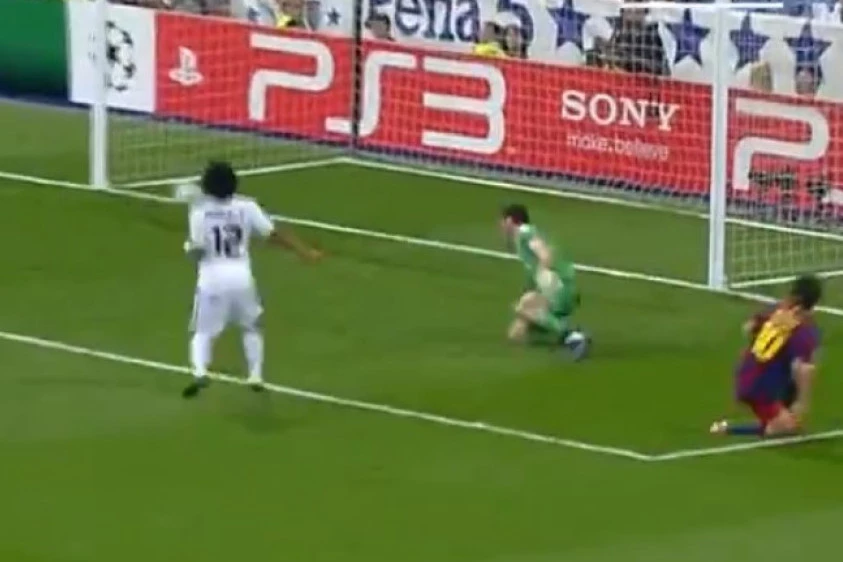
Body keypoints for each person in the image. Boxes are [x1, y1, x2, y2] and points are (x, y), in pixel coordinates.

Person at [181, 161, 321, 398]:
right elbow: (273, 234)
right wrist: (304, 252)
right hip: (241, 277)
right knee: (252, 327)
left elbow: (198, 251)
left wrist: (187, 248)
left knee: (203, 332)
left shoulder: (199, 213)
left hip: (212, 279)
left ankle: (200, 371)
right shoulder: (247, 207)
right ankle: (255, 375)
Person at [711, 275, 822, 437]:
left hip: (746, 371)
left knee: (788, 368)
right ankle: (727, 428)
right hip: (761, 387)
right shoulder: (805, 330)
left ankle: (781, 413)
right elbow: (804, 370)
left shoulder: (776, 311)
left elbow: (747, 327)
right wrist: (802, 403)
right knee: (788, 427)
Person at [500, 204, 589, 360]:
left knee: (525, 309)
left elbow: (545, 255)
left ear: (509, 220)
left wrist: (544, 277)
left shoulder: (525, 233)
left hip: (560, 286)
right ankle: (557, 329)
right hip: (562, 286)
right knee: (516, 331)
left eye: (503, 221)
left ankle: (572, 336)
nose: (501, 225)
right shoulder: (524, 235)